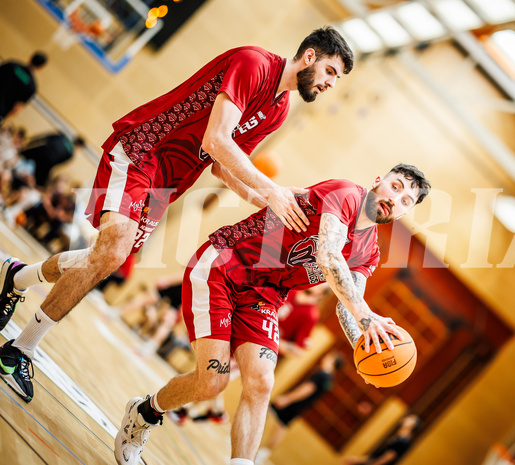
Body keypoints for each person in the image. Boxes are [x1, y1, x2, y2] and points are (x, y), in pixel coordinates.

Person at [0, 26, 354, 403]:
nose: (332, 83)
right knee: (113, 252)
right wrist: (274, 190)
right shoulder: (253, 64)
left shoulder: (279, 110)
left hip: (169, 182)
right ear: (310, 57)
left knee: (101, 257)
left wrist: (272, 207)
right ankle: (20, 348)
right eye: (331, 71)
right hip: (144, 149)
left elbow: (222, 168)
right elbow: (215, 140)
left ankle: (18, 277)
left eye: (338, 78)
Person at [113, 164, 431, 465]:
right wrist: (365, 315)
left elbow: (348, 304)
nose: (394, 198)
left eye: (405, 200)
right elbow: (328, 255)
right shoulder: (346, 194)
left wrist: (364, 345)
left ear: (406, 212)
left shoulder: (370, 251)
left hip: (266, 295)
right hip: (226, 264)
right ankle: (144, 413)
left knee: (262, 382)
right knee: (212, 382)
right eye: (395, 186)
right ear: (378, 180)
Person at [167, 284, 329, 425]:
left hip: (258, 353)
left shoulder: (310, 315)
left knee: (213, 374)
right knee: (214, 375)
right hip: (242, 337)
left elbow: (299, 350)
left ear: (321, 294)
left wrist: (270, 339)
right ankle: (216, 411)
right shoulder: (289, 293)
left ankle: (183, 409)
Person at [255, 350, 344, 465]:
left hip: (292, 403)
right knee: (281, 427)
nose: (326, 357)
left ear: (332, 361)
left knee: (267, 416)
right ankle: (262, 454)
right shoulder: (329, 380)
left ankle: (253, 447)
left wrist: (287, 399)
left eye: (329, 356)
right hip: (300, 407)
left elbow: (307, 389)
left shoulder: (322, 374)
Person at [342, 414, 421, 465]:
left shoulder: (404, 440)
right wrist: (357, 459)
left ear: (413, 425)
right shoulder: (398, 436)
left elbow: (388, 457)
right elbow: (376, 455)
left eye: (410, 419)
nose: (406, 418)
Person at [20, 132, 85, 187]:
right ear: (79, 146)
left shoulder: (61, 136)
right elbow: (56, 164)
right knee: (39, 183)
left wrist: (29, 143)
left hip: (39, 151)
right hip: (46, 163)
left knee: (20, 157)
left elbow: (43, 138)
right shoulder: (70, 154)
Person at [0, 52, 48, 124]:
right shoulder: (32, 86)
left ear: (30, 57)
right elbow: (16, 109)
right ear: (41, 67)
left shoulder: (11, 65)